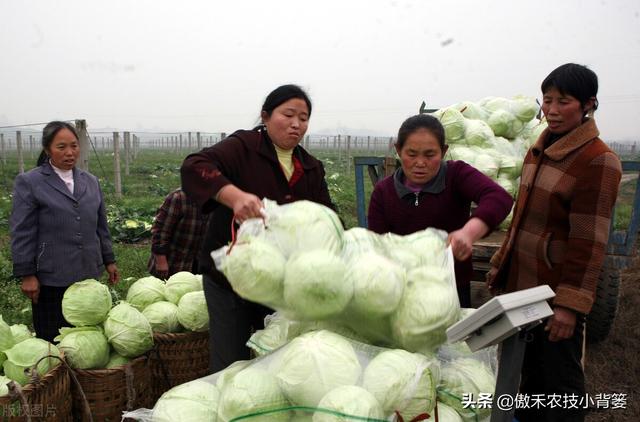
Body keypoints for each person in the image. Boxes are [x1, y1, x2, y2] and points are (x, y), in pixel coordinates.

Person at [486, 63, 622, 422]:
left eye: (564, 101)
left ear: (588, 105)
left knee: (559, 384)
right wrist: (501, 263)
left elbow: (588, 242)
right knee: (527, 379)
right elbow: (520, 218)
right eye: (548, 100)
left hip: (553, 293)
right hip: (523, 287)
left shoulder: (598, 161)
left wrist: (569, 306)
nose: (553, 110)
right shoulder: (539, 149)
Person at [181, 84, 336, 372]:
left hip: (280, 284)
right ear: (265, 117)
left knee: (276, 363)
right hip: (231, 280)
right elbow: (194, 166)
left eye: (303, 118)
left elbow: (329, 218)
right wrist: (235, 197)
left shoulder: (310, 167)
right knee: (230, 363)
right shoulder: (242, 148)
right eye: (288, 114)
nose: (296, 124)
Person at [367, 113, 513, 308]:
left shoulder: (456, 175)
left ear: (443, 152)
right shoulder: (384, 191)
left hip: (451, 290)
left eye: (430, 155)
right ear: (398, 150)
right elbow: (377, 245)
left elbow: (499, 198)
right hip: (401, 292)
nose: (420, 163)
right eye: (411, 154)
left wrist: (467, 234)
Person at [10, 121, 119, 342]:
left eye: (74, 146)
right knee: (53, 339)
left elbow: (101, 226)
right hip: (52, 277)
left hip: (88, 271)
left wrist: (109, 260)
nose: (70, 153)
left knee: (88, 338)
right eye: (61, 147)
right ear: (47, 149)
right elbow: (22, 231)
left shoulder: (90, 181)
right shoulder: (30, 182)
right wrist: (27, 274)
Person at [147, 188, 210, 279]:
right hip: (173, 262)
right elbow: (160, 231)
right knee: (171, 288)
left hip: (199, 260)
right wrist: (161, 261)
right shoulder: (178, 198)